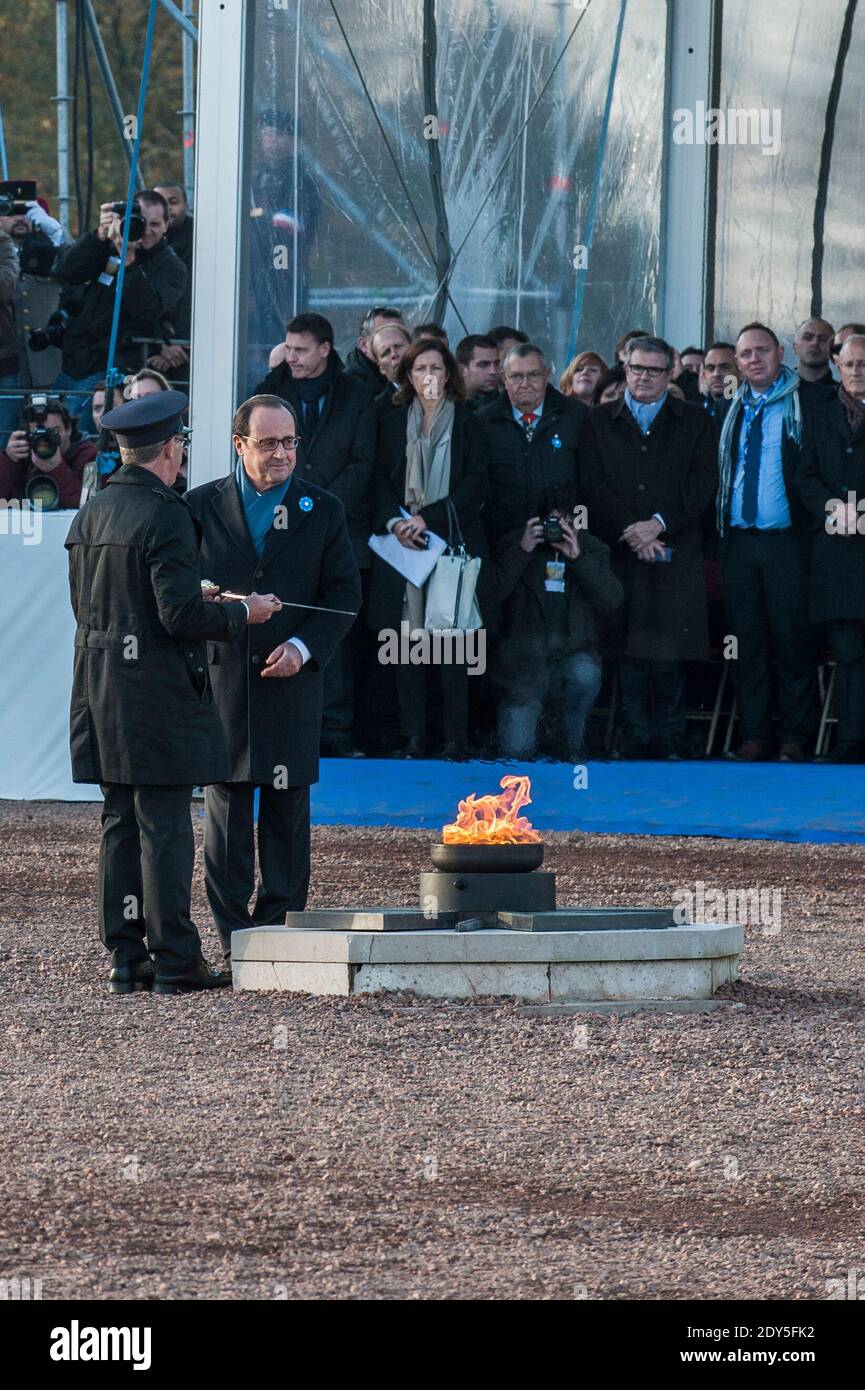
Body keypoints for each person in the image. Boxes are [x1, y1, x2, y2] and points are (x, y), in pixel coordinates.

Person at [64, 391, 279, 994]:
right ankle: (177, 961)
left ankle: (127, 959)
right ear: (170, 448)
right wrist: (244, 615)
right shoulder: (167, 513)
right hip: (154, 691)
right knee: (162, 823)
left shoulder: (93, 511)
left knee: (119, 822)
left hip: (98, 685)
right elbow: (178, 618)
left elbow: (91, 604)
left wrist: (194, 599)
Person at [185, 395, 361, 957]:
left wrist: (304, 646)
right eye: (268, 443)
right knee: (228, 811)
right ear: (240, 445)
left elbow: (345, 594)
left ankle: (281, 938)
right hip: (224, 680)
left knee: (286, 814)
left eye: (289, 442)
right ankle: (235, 941)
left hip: (291, 679)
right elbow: (177, 589)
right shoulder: (197, 506)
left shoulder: (323, 508)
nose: (283, 453)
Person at [580, 335, 717, 759]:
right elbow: (592, 483)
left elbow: (702, 484)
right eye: (636, 368)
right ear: (625, 367)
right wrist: (630, 530)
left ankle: (671, 735)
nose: (644, 377)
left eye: (654, 370)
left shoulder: (696, 420)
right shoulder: (599, 420)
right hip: (621, 549)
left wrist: (657, 525)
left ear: (671, 372)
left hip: (674, 548)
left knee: (670, 647)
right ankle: (636, 733)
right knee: (628, 646)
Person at [254, 311, 377, 755]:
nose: (293, 357)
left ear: (326, 349)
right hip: (278, 526)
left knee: (333, 621)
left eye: (302, 349)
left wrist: (319, 505)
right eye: (289, 348)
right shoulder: (269, 392)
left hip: (338, 525)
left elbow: (363, 464)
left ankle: (336, 733)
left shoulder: (358, 396)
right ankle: (283, 725)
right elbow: (257, 454)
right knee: (282, 619)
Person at [368, 337, 493, 759]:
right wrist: (398, 521)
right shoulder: (389, 422)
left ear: (449, 374)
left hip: (450, 544)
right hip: (402, 548)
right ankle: (414, 735)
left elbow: (476, 484)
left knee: (453, 642)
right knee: (407, 641)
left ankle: (454, 738)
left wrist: (429, 518)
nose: (428, 377)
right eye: (420, 369)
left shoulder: (470, 421)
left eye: (436, 369)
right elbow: (378, 482)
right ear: (407, 375)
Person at [717, 322, 818, 761]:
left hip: (788, 544)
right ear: (736, 363)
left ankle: (796, 737)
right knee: (746, 642)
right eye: (745, 354)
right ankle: (756, 734)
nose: (754, 359)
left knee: (792, 641)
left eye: (762, 351)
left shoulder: (810, 403)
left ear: (781, 353)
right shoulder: (728, 407)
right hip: (739, 544)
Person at [494, 482, 623, 761]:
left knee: (585, 674)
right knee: (516, 754)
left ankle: (570, 741)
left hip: (572, 655)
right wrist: (522, 550)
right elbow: (491, 596)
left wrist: (578, 558)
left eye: (565, 522)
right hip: (525, 662)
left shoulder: (591, 549)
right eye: (552, 521)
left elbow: (613, 600)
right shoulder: (515, 544)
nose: (558, 529)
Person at [53, 191, 187, 431]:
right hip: (74, 360)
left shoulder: (171, 266)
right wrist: (97, 237)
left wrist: (129, 263)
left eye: (155, 224)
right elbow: (66, 271)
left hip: (115, 368)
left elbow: (150, 308)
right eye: (139, 221)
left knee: (86, 435)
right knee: (56, 430)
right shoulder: (107, 246)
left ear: (167, 226)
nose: (145, 230)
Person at [797, 335, 865, 761]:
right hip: (837, 552)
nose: (859, 371)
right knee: (848, 651)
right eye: (852, 363)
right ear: (837, 364)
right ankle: (851, 740)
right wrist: (833, 508)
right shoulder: (817, 412)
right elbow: (805, 473)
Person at [479, 341, 588, 539]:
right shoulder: (483, 423)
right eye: (516, 376)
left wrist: (580, 526)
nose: (525, 383)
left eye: (533, 375)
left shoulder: (578, 417)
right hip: (504, 542)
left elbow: (589, 482)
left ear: (546, 376)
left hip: (563, 538)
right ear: (504, 379)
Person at [0, 194, 69, 442]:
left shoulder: (52, 251)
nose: (20, 218)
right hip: (9, 364)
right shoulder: (4, 253)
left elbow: (78, 261)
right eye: (12, 211)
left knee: (50, 437)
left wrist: (55, 230)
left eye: (28, 212)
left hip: (45, 365)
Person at [0, 395, 96, 509]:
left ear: (68, 429)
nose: (46, 440)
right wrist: (9, 461)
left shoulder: (86, 456)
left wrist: (57, 469)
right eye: (38, 433)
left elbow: (87, 508)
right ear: (28, 434)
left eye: (53, 432)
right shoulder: (22, 456)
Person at [149, 182, 193, 377]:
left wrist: (180, 346)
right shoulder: (143, 240)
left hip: (192, 347)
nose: (168, 208)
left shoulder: (202, 237)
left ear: (186, 204)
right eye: (161, 202)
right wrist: (160, 345)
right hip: (151, 348)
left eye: (173, 202)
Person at [343, 305, 405, 395]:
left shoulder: (420, 370)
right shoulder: (350, 387)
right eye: (385, 337)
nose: (393, 343)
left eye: (400, 336)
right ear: (364, 345)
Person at [369, 320, 411, 420]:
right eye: (386, 352)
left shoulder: (441, 392)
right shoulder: (375, 412)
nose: (394, 354)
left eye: (398, 346)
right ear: (381, 368)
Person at [792, 317, 836, 406]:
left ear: (833, 349)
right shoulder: (778, 393)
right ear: (795, 347)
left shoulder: (844, 398)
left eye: (823, 339)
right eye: (808, 338)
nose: (815, 342)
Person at [455, 334, 500, 410]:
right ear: (463, 370)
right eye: (483, 365)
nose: (493, 371)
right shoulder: (445, 407)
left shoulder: (509, 405)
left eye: (496, 364)